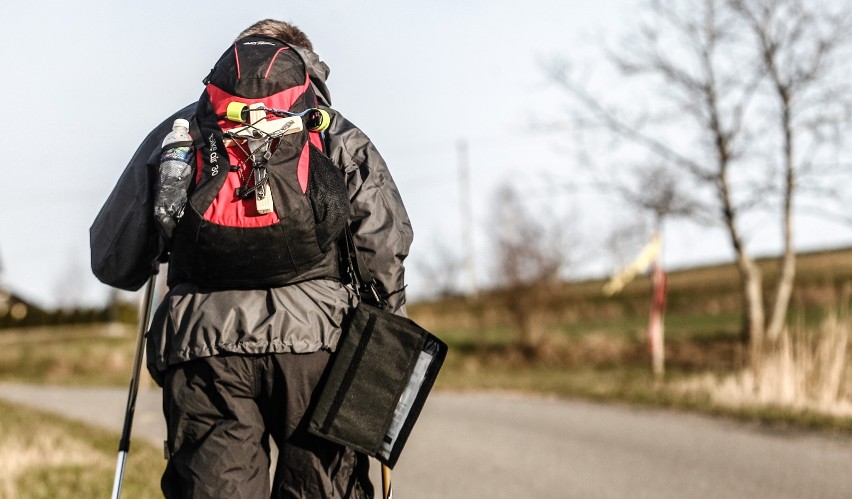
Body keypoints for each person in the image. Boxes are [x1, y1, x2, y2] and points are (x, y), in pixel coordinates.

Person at [90, 19, 413, 498]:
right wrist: (385, 354)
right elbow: (383, 245)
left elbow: (113, 258)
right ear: (306, 68)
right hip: (317, 347)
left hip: (204, 349)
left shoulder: (185, 130)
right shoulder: (333, 131)